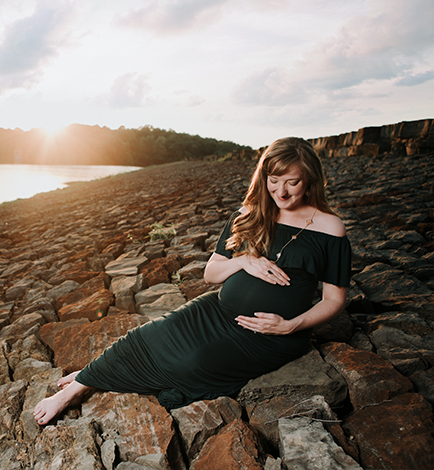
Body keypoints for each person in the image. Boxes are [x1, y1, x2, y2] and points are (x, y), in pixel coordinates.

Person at [33, 137, 351, 425]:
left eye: (292, 182)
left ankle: (101, 375)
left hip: (270, 337)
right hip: (215, 311)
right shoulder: (251, 213)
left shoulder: (329, 228)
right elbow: (211, 272)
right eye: (274, 180)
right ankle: (81, 385)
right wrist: (245, 261)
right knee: (146, 336)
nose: (281, 191)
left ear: (309, 180)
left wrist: (290, 326)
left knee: (194, 363)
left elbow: (333, 301)